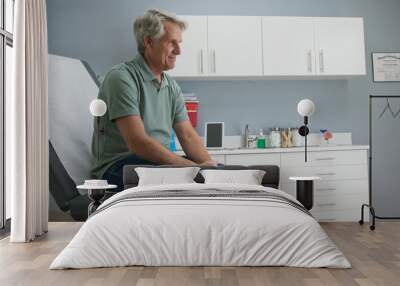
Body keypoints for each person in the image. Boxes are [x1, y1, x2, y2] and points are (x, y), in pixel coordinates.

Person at [91, 9, 216, 192]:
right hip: (118, 167)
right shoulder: (121, 78)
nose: (179, 51)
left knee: (211, 177)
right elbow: (139, 143)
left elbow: (188, 136)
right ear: (148, 41)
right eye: (172, 43)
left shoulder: (171, 86)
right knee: (192, 181)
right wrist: (190, 169)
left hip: (156, 164)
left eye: (179, 43)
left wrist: (210, 167)